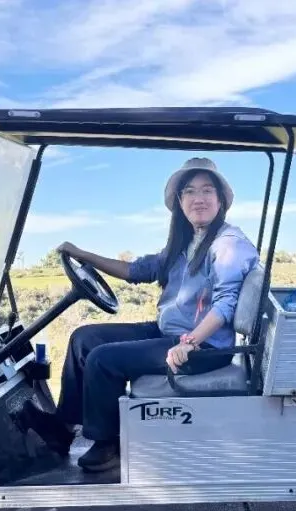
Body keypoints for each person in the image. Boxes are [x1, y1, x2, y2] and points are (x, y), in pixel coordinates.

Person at [44, 157, 259, 472]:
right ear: (180, 201)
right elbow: (137, 270)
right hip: (169, 331)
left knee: (103, 359)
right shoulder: (186, 244)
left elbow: (225, 304)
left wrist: (190, 343)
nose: (198, 198)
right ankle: (64, 428)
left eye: (207, 190)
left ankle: (108, 444)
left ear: (220, 200)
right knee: (84, 339)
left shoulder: (228, 244)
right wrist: (82, 254)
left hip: (206, 347)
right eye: (189, 191)